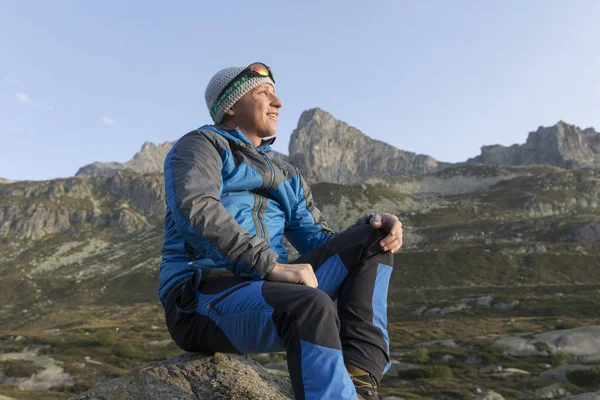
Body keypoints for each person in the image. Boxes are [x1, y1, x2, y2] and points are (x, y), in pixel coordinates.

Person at [159, 62, 403, 400]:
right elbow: (195, 210)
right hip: (201, 296)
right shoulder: (201, 145)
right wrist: (269, 265)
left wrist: (377, 223)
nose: (278, 102)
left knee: (374, 238)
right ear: (230, 106)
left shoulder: (286, 173)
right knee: (309, 305)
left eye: (275, 93)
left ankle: (359, 381)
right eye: (263, 93)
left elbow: (319, 241)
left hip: (263, 286)